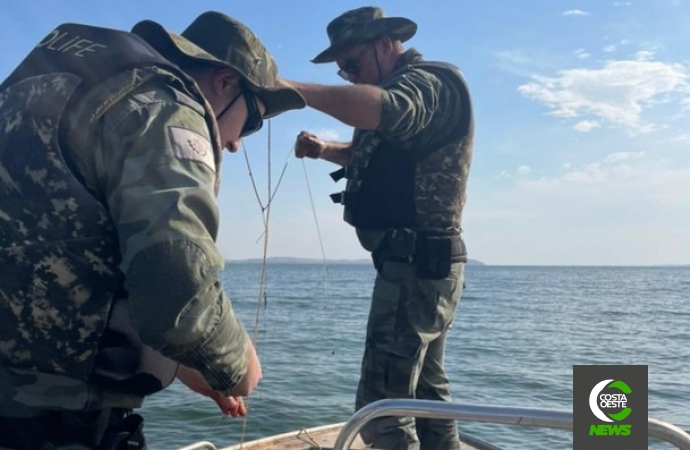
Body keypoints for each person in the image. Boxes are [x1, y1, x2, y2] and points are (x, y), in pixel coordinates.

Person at [0, 10, 305, 450]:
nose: (238, 142)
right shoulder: (164, 107)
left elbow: (66, 254)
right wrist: (236, 364)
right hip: (60, 423)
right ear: (225, 82)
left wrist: (182, 364)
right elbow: (175, 285)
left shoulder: (55, 89)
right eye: (253, 120)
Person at [277, 6, 474, 450]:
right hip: (424, 267)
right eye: (343, 70)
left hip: (415, 266)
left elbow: (389, 111)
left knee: (381, 406)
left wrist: (289, 89)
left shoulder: (426, 84)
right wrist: (324, 149)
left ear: (386, 45)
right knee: (426, 392)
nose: (349, 77)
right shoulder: (400, 94)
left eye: (353, 65)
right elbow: (376, 151)